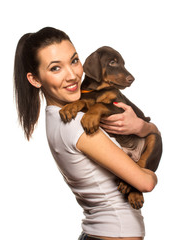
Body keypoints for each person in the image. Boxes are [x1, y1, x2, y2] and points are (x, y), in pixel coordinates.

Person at [14, 27, 159, 240]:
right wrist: (152, 174)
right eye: (56, 68)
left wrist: (144, 128)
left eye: (74, 61)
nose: (73, 76)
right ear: (35, 79)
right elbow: (145, 183)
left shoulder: (59, 115)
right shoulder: (74, 122)